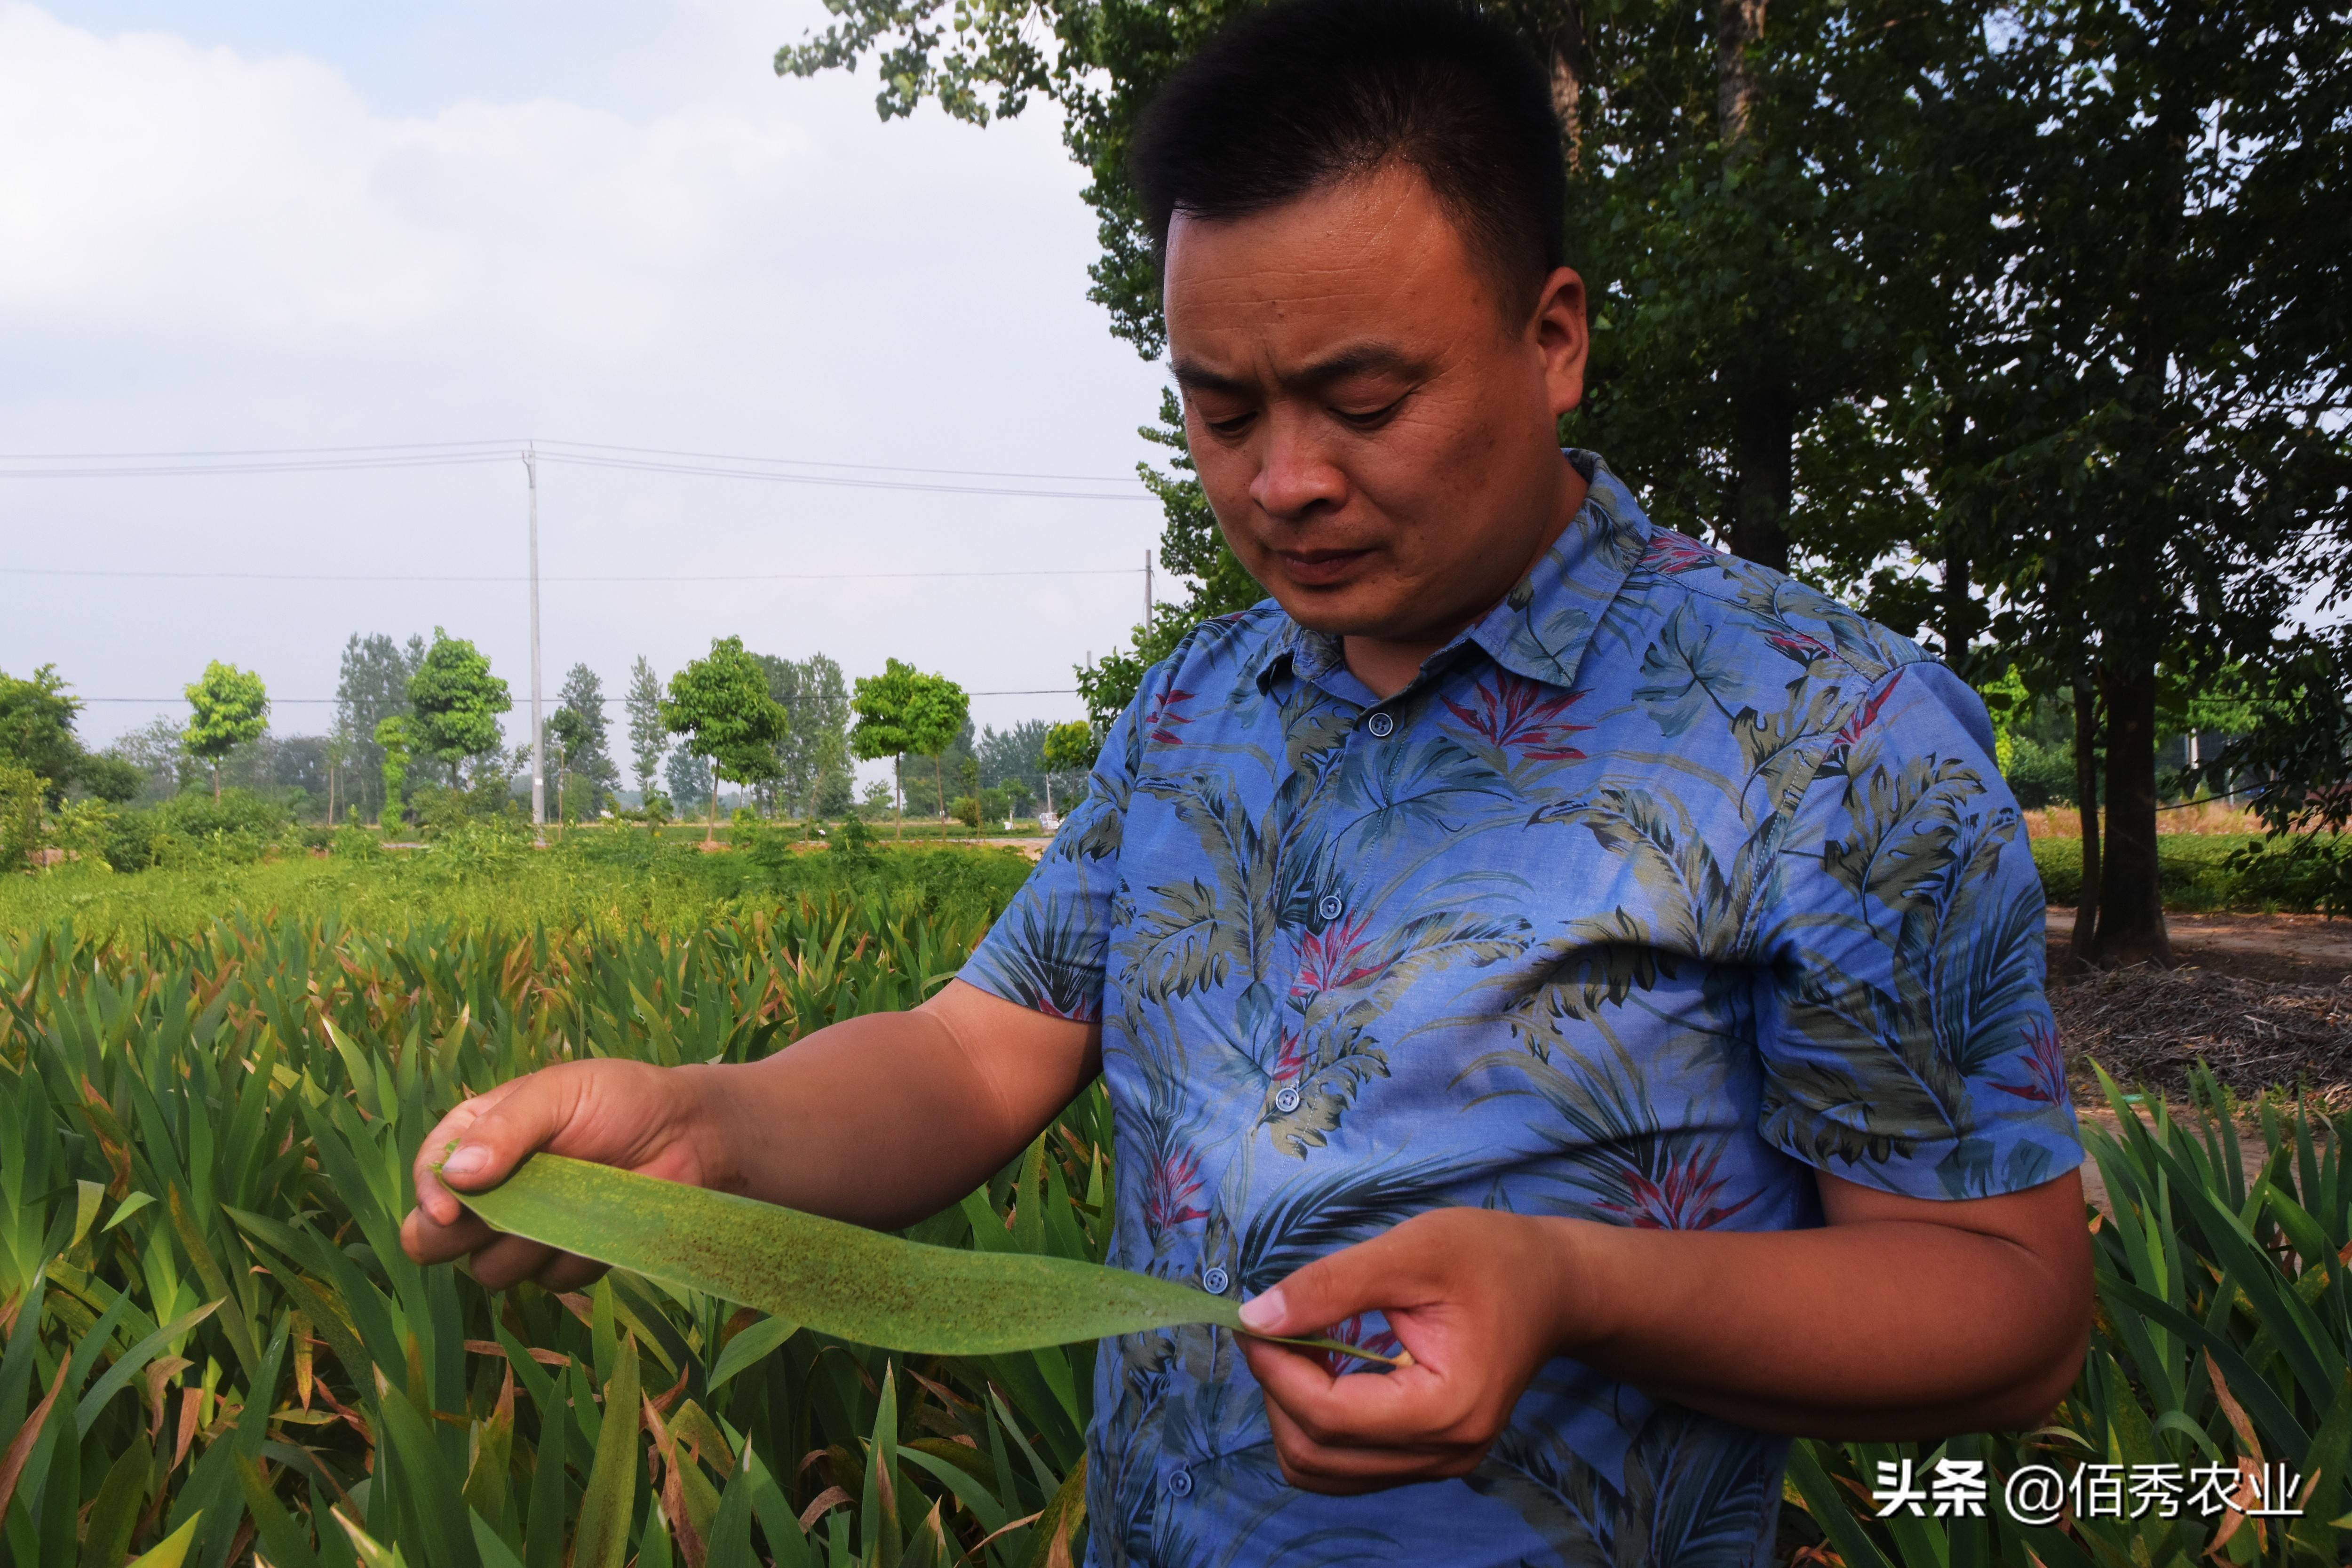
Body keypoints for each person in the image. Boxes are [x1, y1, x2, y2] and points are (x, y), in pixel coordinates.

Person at [404, 1, 2091, 1561]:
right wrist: (707, 1124)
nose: (1283, 483)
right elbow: (975, 1053)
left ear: (1554, 338)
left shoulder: (1826, 738)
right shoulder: (1204, 702)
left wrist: (1567, 1286)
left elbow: (2005, 1306)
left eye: (1366, 400)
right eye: (1221, 412)